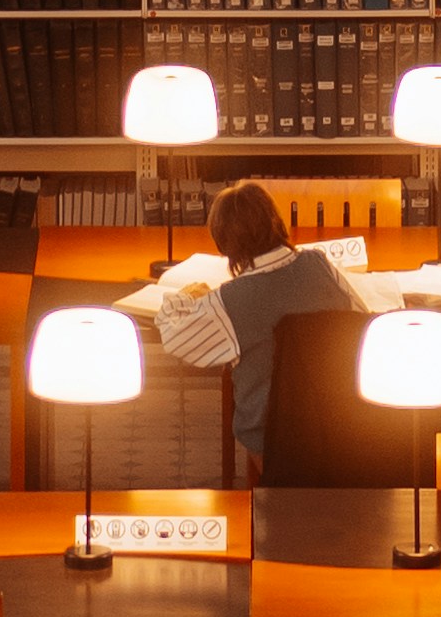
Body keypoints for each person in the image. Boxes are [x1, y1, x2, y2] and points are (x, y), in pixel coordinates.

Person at [143, 175, 375, 472]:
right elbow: (360, 318)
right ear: (276, 222)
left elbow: (176, 338)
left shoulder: (231, 301)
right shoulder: (318, 265)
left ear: (225, 244)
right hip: (344, 424)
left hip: (273, 440)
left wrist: (186, 296)